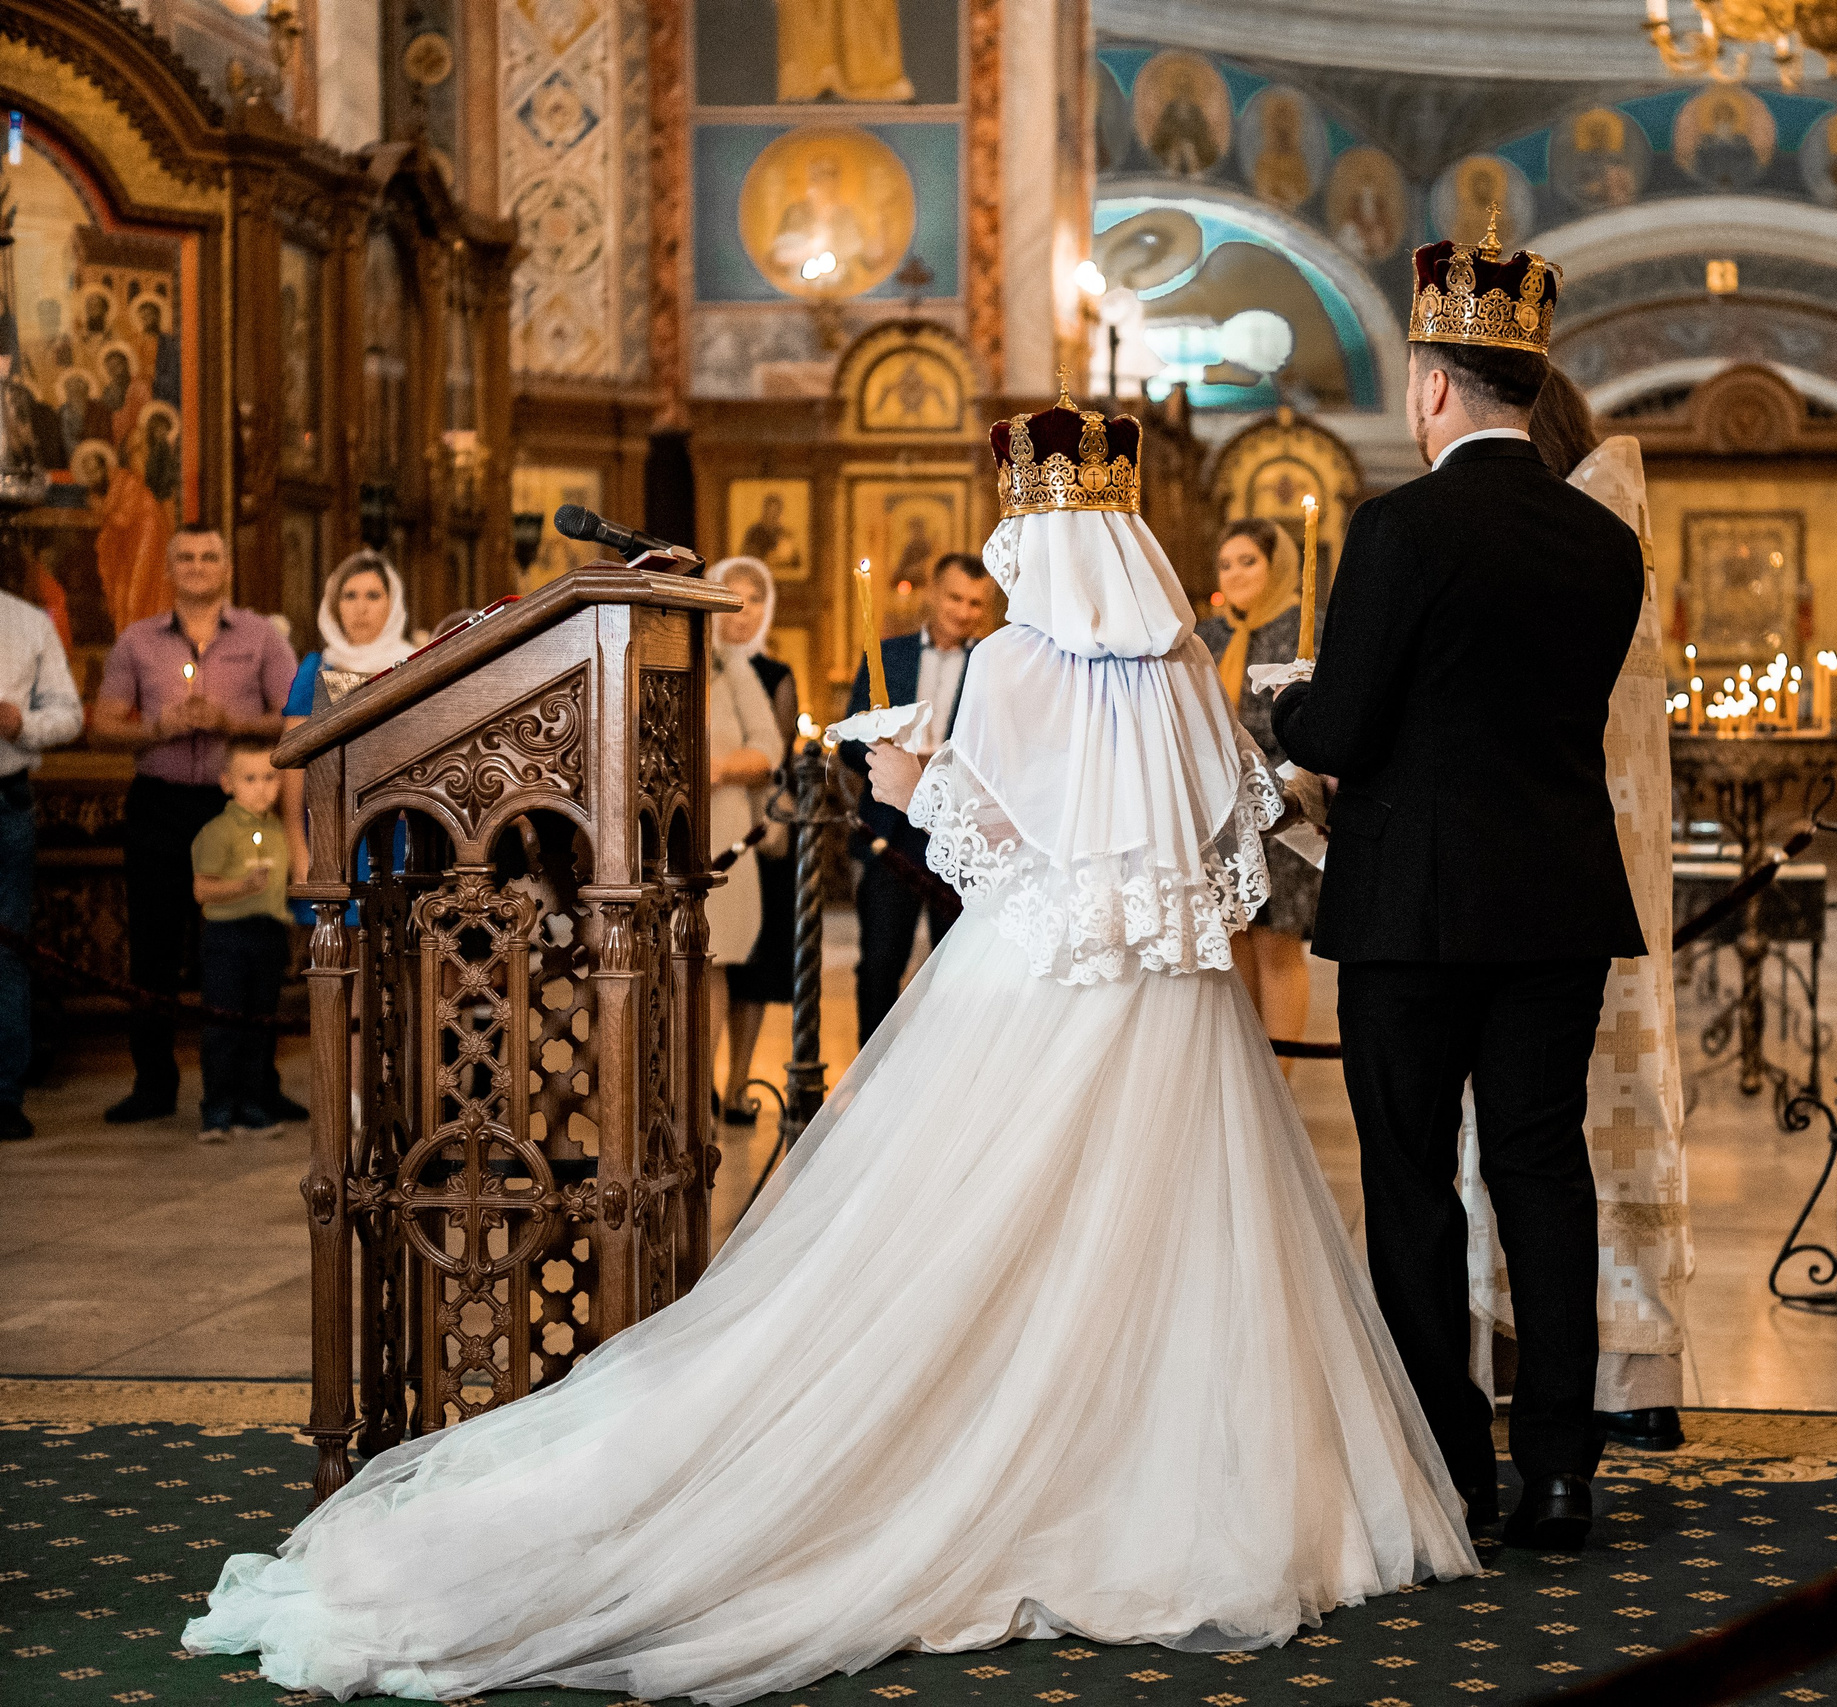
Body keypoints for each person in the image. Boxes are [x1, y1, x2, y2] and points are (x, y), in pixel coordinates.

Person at [184, 391, 1473, 1703]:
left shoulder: (1015, 661)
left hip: (1035, 985)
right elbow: (1231, 829)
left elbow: (983, 845)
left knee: (962, 1229)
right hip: (1179, 1000)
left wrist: (908, 781)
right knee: (1178, 1227)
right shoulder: (1185, 662)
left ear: (1032, 535)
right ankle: (1179, 1479)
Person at [1271, 226, 1644, 1552]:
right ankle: (1561, 1471)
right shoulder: (1603, 540)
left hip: (1414, 910)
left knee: (1413, 1178)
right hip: (1556, 899)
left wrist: (1287, 705)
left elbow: (1344, 729)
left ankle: (1448, 1467)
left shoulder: (1398, 527)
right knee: (1543, 1169)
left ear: (1433, 385)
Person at [1457, 371, 1691, 1455]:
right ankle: (1616, 1377)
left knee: (1524, 1137)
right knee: (1568, 1138)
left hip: (1511, 884)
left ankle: (1525, 1364)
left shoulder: (1536, 546)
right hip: (1603, 880)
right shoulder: (1607, 540)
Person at [90, 526, 298, 1125]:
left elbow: (297, 719)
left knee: (248, 943)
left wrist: (231, 722)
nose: (198, 566)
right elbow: (102, 727)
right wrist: (157, 729)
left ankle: (256, 1084)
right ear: (168, 567)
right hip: (158, 806)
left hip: (239, 808)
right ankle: (153, 1084)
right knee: (154, 948)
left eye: (209, 556)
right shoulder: (137, 641)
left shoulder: (261, 638)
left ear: (226, 566)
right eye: (185, 557)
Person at [841, 552, 991, 1041]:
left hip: (959, 833)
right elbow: (849, 742)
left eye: (975, 603)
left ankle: (949, 1066)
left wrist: (937, 768)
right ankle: (872, 1072)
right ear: (932, 593)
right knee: (880, 961)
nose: (964, 612)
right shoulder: (888, 654)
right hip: (891, 832)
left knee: (956, 966)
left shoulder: (992, 665)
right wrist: (889, 756)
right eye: (954, 598)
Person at [1193, 517, 1320, 1059]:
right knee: (1234, 941)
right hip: (1218, 807)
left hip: (1281, 805)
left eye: (1249, 561)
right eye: (1226, 564)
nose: (1236, 574)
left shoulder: (1302, 628)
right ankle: (1253, 1078)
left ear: (1277, 566)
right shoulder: (1207, 635)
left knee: (1276, 946)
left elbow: (1310, 722)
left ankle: (1282, 1082)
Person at [708, 556, 798, 1125]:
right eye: (730, 596)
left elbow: (774, 753)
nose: (741, 611)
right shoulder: (697, 657)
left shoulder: (761, 672)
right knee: (709, 964)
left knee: (749, 966)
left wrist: (722, 767)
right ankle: (694, 1087)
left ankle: (736, 1083)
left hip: (755, 829)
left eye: (754, 599)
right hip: (704, 834)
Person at [0, 554, 86, 1141]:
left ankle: (4, 1095)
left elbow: (69, 714)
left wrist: (21, 724)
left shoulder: (27, 623)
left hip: (5, 799)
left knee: (6, 951)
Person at [281, 551, 418, 912]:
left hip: (403, 835)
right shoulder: (315, 669)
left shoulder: (416, 664)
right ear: (334, 605)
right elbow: (294, 772)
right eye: (349, 595)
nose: (361, 607)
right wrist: (299, 853)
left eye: (373, 595)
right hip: (330, 838)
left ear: (393, 602)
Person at [190, 740, 290, 1144]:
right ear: (227, 783)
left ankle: (252, 1105)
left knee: (259, 1026)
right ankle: (216, 1110)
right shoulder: (217, 832)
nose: (262, 788)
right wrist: (243, 886)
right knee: (223, 1027)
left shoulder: (279, 829)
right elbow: (202, 890)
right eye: (249, 779)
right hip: (227, 938)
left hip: (269, 935)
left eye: (270, 778)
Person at [704, 586, 788, 1034]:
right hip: (647, 835)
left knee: (710, 958)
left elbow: (769, 748)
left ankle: (702, 1077)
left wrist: (718, 767)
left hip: (723, 829)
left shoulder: (730, 666)